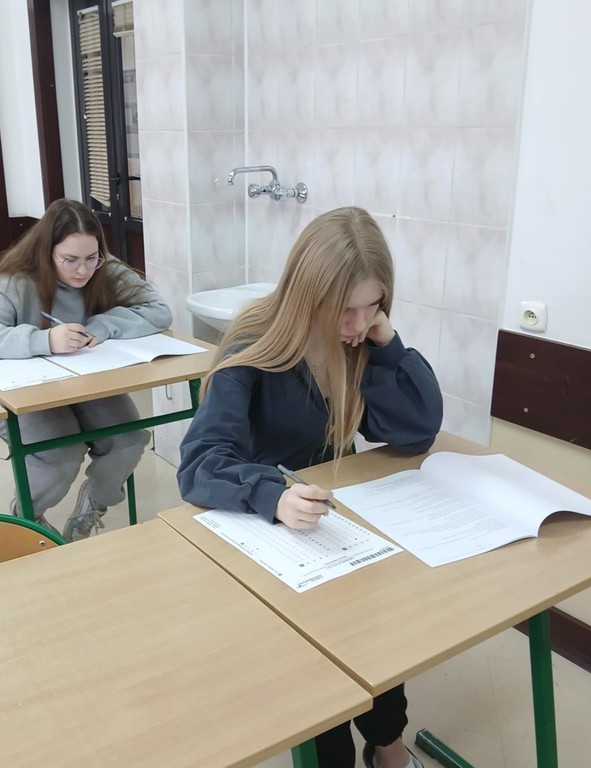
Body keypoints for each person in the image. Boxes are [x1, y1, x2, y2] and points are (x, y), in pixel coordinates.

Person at [177, 207, 442, 768]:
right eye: (346, 308)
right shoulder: (255, 343)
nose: (358, 324)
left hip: (331, 521)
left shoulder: (358, 345)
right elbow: (199, 463)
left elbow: (417, 429)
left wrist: (387, 341)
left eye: (374, 306)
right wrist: (271, 495)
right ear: (308, 294)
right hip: (263, 524)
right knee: (324, 679)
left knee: (371, 630)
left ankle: (389, 747)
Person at [0, 198, 172, 541]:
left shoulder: (104, 269)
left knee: (129, 440)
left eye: (91, 258)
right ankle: (26, 519)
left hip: (83, 384)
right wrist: (44, 339)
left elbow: (159, 310)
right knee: (60, 453)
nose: (83, 270)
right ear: (46, 252)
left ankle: (92, 506)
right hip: (22, 391)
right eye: (69, 260)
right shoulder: (16, 282)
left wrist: (104, 325)